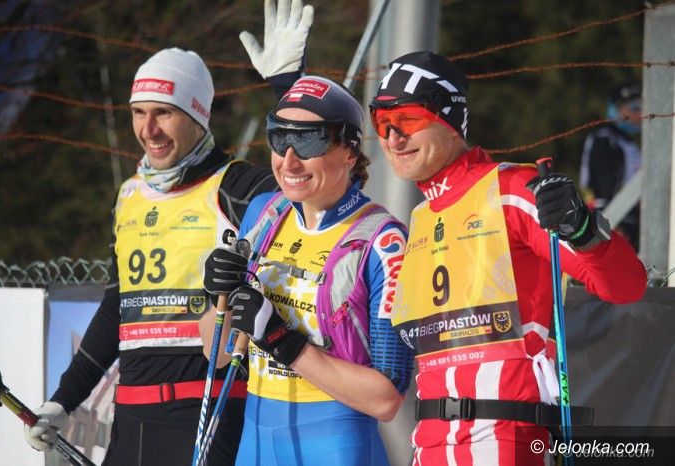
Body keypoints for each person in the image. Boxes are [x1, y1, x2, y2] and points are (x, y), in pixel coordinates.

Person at [21, 10, 313, 461]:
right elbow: (117, 308)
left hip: (206, 414)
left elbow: (314, 188)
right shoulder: (129, 195)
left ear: (198, 115)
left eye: (163, 113)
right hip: (131, 418)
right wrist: (63, 400)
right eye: (138, 113)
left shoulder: (236, 187)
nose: (148, 130)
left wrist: (289, 89)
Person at [366, 51, 647, 466]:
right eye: (382, 122)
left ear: (449, 119)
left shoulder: (511, 190)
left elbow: (626, 286)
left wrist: (582, 227)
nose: (393, 138)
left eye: (407, 119)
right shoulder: (422, 217)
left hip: (504, 442)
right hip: (429, 445)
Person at [200, 75, 415, 465]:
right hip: (256, 443)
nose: (289, 161)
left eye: (309, 142)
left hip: (333, 444)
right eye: (279, 138)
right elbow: (216, 353)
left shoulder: (381, 240)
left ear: (349, 152)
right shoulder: (265, 214)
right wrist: (220, 300)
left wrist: (281, 340)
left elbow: (386, 399)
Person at [579, 82, 642, 251]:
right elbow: (602, 188)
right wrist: (614, 223)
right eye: (634, 108)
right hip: (611, 220)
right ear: (617, 110)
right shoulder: (605, 139)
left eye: (643, 108)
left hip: (630, 219)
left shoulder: (630, 144)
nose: (641, 114)